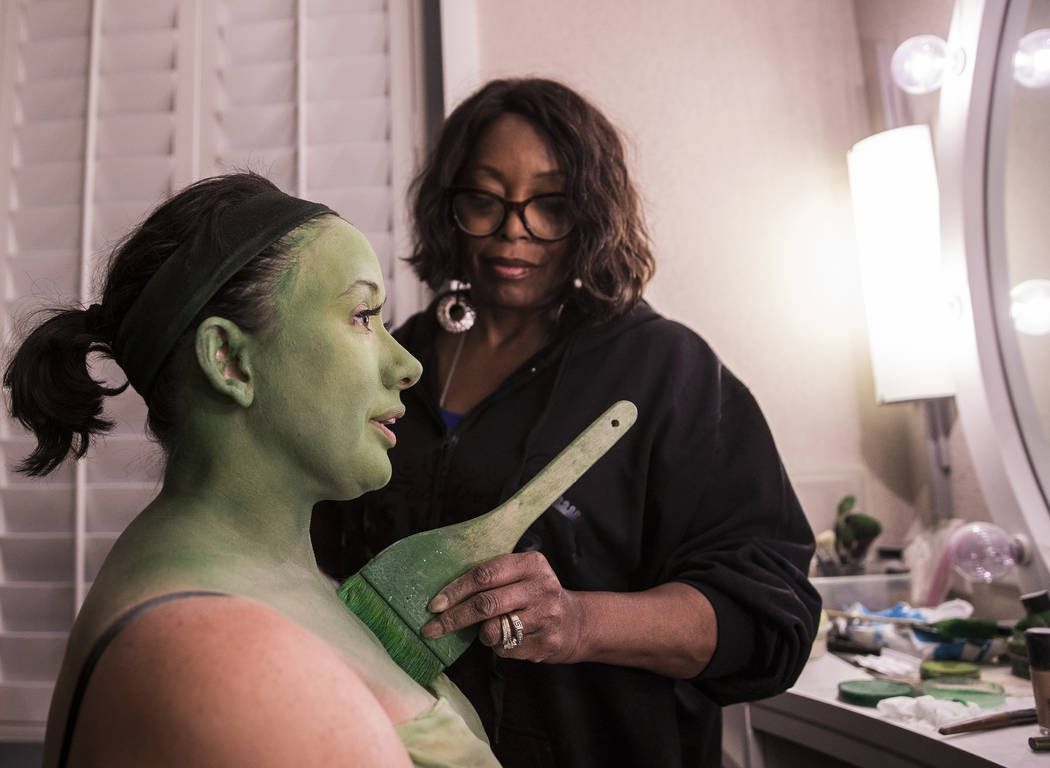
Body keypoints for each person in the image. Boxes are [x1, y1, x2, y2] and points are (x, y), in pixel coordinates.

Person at [313, 78, 822, 767]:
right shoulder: (394, 361)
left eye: (549, 205)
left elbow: (770, 618)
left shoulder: (663, 371)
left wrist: (580, 622)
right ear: (448, 206)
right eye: (484, 200)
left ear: (591, 212)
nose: (513, 230)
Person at [6, 172, 501, 767]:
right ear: (231, 361)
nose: (409, 366)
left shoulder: (286, 581)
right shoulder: (216, 653)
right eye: (363, 316)